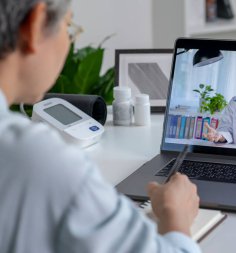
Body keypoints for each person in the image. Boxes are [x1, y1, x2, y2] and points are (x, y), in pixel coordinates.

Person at [0, 1, 200, 252]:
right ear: (36, 25)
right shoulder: (39, 162)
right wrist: (176, 216)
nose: (68, 41)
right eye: (68, 26)